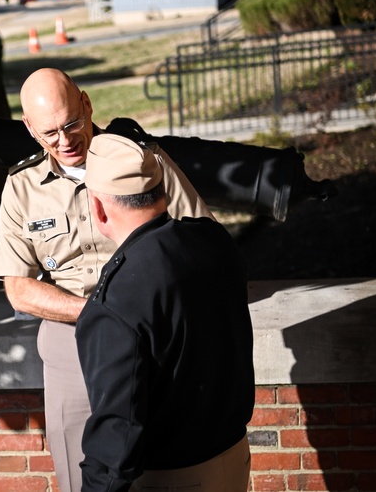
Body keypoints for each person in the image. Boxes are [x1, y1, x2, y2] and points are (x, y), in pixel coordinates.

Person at [0, 68, 214, 492]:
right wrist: (101, 313)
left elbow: (202, 241)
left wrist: (142, 313)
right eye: (49, 133)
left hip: (153, 331)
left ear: (88, 104)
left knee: (165, 470)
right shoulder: (21, 187)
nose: (65, 140)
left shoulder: (141, 160)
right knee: (82, 475)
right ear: (30, 129)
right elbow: (17, 289)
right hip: (73, 338)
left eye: (72, 123)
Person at [77, 134, 254, 491]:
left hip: (172, 479)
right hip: (234, 456)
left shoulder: (117, 300)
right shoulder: (213, 240)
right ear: (162, 190)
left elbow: (117, 434)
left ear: (97, 207)